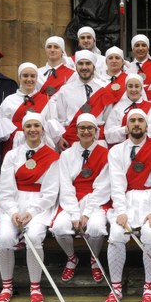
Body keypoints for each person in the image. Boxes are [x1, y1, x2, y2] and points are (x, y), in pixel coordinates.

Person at [0, 113, 60, 302]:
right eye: (28, 126)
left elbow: (50, 192)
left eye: (36, 126)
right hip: (12, 204)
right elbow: (5, 189)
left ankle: (35, 286)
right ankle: (7, 286)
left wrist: (31, 212)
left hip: (39, 206)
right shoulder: (12, 155)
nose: (32, 129)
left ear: (42, 129)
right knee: (4, 239)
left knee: (33, 238)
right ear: (23, 130)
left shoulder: (52, 156)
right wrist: (14, 212)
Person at [105, 108, 151, 302]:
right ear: (127, 126)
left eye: (141, 120)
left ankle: (149, 286)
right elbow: (116, 184)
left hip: (150, 200)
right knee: (115, 234)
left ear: (147, 126)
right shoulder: (116, 151)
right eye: (133, 121)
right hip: (127, 201)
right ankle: (115, 287)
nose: (137, 124)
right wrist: (121, 211)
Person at [51, 114, 111, 282]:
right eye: (82, 128)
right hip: (72, 201)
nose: (86, 132)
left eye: (90, 128)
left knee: (97, 227)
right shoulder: (66, 155)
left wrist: (87, 212)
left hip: (96, 201)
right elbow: (65, 185)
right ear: (76, 132)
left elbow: (103, 186)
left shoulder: (106, 154)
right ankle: (71, 257)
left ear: (96, 131)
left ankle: (94, 258)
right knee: (60, 227)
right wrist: (75, 213)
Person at [0, 62, 62, 153]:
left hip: (40, 147)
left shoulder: (47, 101)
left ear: (36, 78)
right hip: (14, 148)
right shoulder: (8, 101)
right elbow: (2, 133)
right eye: (25, 76)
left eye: (32, 76)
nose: (29, 79)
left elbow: (52, 129)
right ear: (19, 78)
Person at [53, 50, 106, 150]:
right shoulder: (65, 90)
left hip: (97, 143)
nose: (84, 67)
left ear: (94, 66)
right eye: (81, 64)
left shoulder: (103, 90)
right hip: (71, 143)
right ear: (76, 66)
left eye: (88, 63)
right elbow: (60, 119)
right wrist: (59, 138)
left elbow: (107, 118)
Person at [103, 73, 151, 146]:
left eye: (137, 86)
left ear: (141, 88)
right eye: (130, 86)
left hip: (145, 148)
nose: (133, 89)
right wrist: (124, 130)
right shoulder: (118, 108)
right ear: (125, 88)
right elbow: (108, 134)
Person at [125, 34, 151, 101]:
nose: (140, 48)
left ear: (148, 48)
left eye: (143, 45)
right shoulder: (126, 68)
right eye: (137, 45)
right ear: (133, 49)